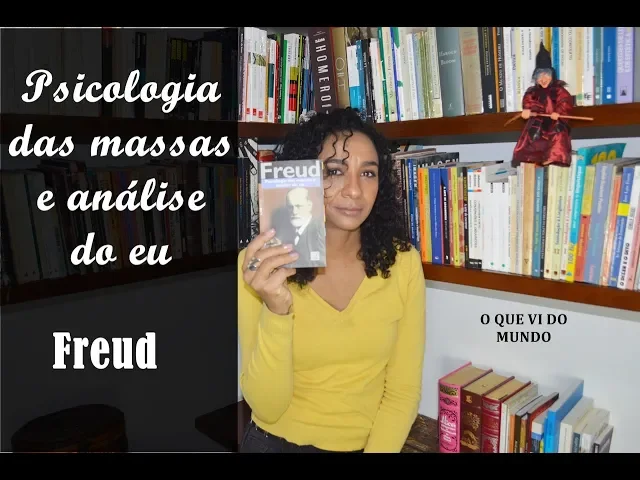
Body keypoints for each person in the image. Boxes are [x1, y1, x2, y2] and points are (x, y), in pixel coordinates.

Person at [237, 107, 426, 453]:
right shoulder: (260, 267)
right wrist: (277, 310)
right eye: (335, 171)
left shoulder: (404, 263)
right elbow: (266, 406)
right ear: (303, 177)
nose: (354, 190)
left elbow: (402, 393)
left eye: (367, 173)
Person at [511, 41, 573, 167]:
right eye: (540, 76)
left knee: (559, 135)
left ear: (552, 75)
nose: (543, 79)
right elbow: (528, 102)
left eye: (546, 75)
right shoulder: (533, 92)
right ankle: (531, 158)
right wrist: (528, 111)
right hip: (539, 122)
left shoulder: (559, 90)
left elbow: (565, 102)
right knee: (531, 137)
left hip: (554, 122)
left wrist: (559, 113)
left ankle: (554, 157)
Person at [269, 186, 326, 268]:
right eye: (290, 207)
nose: (294, 212)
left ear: (309, 206)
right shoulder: (286, 233)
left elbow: (318, 265)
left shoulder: (319, 229)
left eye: (299, 206)